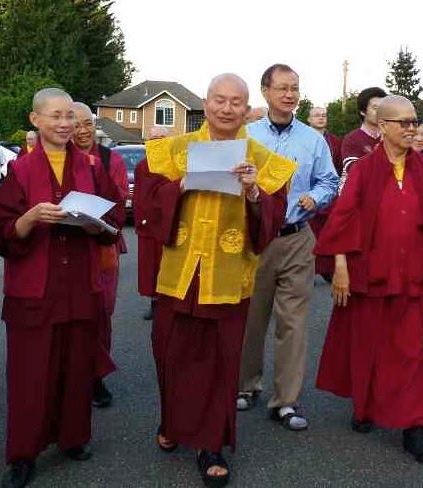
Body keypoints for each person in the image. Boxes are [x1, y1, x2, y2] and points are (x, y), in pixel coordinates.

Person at [141, 73, 295, 487]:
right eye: (219, 100)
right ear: (205, 103)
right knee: (171, 353)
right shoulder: (172, 150)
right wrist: (180, 186)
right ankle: (173, 422)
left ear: (247, 109)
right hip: (180, 272)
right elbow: (147, 208)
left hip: (227, 276)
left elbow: (273, 221)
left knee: (218, 362)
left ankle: (211, 444)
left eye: (235, 102)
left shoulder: (263, 160)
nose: (226, 108)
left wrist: (255, 194)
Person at [314, 95, 423, 464]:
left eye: (414, 121)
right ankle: (366, 406)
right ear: (382, 126)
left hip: (413, 278)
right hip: (369, 277)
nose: (411, 128)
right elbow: (343, 216)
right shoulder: (364, 170)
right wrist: (339, 267)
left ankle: (415, 426)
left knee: (413, 355)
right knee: (368, 347)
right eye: (403, 122)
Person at [0, 88, 124, 488]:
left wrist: (96, 226)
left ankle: (73, 437)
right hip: (34, 287)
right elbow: (2, 233)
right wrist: (31, 218)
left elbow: (114, 218)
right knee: (30, 374)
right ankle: (23, 454)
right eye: (56, 116)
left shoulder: (91, 167)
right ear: (36, 120)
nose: (65, 124)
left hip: (80, 283)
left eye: (70, 116)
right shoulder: (19, 169)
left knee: (76, 367)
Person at [237, 64, 338, 430]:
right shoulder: (246, 136)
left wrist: (317, 197)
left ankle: (286, 401)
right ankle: (246, 385)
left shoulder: (313, 140)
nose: (289, 95)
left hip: (297, 237)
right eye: (282, 88)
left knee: (293, 323)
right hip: (255, 240)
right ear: (265, 91)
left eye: (294, 88)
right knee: (251, 317)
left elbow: (330, 180)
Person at [71, 101, 128, 408]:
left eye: (88, 124)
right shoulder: (59, 157)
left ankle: (96, 376)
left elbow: (119, 200)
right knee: (70, 313)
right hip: (68, 245)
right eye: (76, 125)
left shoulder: (110, 159)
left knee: (101, 314)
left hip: (102, 246)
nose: (83, 131)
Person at [135, 125, 168, 321]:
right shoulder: (141, 166)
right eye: (153, 139)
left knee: (168, 265)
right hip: (148, 226)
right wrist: (141, 220)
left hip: (169, 223)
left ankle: (169, 305)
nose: (157, 142)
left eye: (161, 138)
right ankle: (154, 304)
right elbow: (138, 196)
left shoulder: (175, 163)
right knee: (151, 267)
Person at [307, 106, 343, 282]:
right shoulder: (303, 139)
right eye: (316, 115)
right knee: (310, 232)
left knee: (329, 231)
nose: (321, 118)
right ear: (309, 119)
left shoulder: (335, 141)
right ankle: (308, 269)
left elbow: (340, 167)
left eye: (323, 115)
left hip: (330, 193)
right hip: (308, 193)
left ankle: (329, 269)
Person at [340, 87, 387, 162]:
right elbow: (353, 168)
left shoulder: (392, 136)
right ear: (362, 111)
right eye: (375, 108)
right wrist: (379, 151)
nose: (380, 112)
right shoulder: (351, 140)